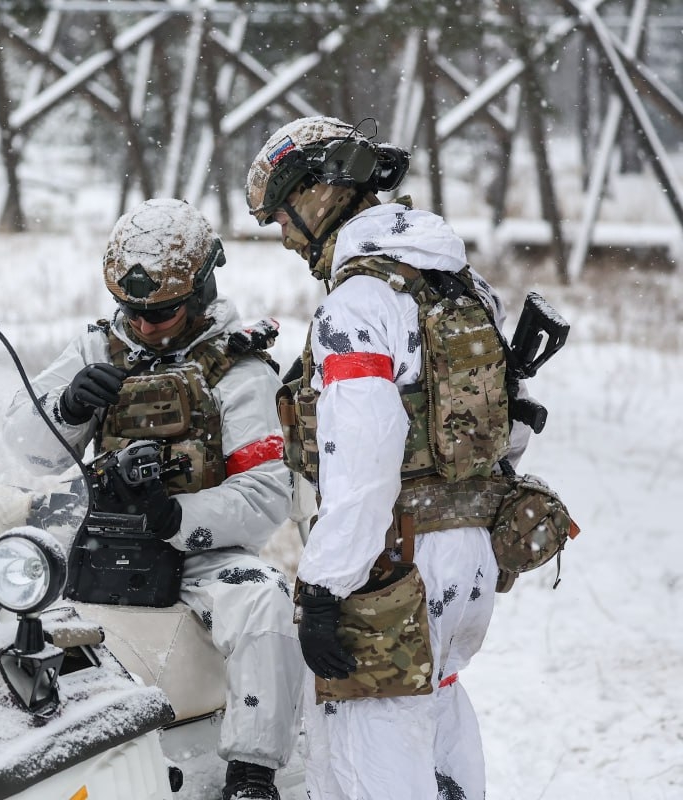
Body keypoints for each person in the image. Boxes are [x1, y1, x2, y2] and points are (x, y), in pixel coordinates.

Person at [245, 116, 532, 800]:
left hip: (392, 564)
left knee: (368, 757)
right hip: (469, 552)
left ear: (317, 195)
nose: (284, 236)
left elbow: (363, 465)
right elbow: (509, 429)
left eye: (281, 216)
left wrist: (323, 589)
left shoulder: (357, 305)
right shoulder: (461, 285)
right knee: (440, 716)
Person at [4, 198, 305, 800]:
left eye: (161, 313)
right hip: (99, 538)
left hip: (199, 552)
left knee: (264, 600)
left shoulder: (240, 372)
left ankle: (252, 772)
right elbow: (24, 449)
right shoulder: (96, 349)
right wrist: (67, 408)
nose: (143, 327)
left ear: (201, 292)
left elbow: (268, 493)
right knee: (2, 582)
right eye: (132, 312)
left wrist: (176, 516)